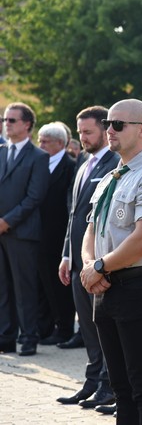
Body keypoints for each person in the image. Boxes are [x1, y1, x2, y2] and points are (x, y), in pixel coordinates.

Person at [79, 99, 142, 423]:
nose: (109, 130)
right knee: (120, 387)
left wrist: (99, 266)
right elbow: (91, 229)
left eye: (118, 124)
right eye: (108, 123)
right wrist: (90, 265)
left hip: (137, 286)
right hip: (106, 287)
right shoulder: (112, 176)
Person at [57, 106, 118, 408]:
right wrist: (67, 255)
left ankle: (109, 385)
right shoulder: (83, 162)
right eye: (80, 132)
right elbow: (74, 214)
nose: (82, 137)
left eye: (88, 132)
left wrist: (98, 262)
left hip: (100, 261)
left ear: (105, 130)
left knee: (103, 327)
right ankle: (92, 381)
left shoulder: (115, 163)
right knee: (88, 327)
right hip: (77, 259)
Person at [0, 102, 49, 356]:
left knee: (24, 288)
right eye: (4, 120)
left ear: (27, 124)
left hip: (22, 232)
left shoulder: (39, 157)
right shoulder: (0, 152)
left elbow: (35, 197)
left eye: (11, 120)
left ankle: (29, 337)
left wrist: (7, 221)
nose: (6, 124)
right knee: (2, 288)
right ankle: (6, 337)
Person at [36, 123, 77, 346]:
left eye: (45, 141)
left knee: (59, 285)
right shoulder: (39, 163)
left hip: (59, 234)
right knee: (42, 284)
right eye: (40, 141)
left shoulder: (70, 166)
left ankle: (64, 329)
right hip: (40, 234)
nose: (40, 145)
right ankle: (44, 328)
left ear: (60, 143)